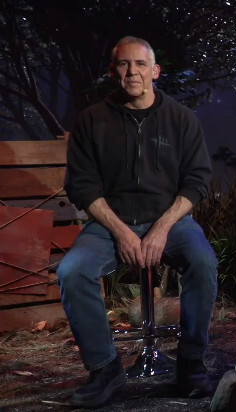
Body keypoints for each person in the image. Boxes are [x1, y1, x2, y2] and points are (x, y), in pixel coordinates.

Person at [58, 36, 219, 407]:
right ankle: (105, 368)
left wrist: (161, 229)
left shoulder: (181, 119)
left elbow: (197, 181)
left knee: (203, 261)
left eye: (141, 64)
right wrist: (122, 233)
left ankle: (191, 362)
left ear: (155, 71)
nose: (132, 72)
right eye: (124, 64)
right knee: (72, 271)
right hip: (110, 223)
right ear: (113, 71)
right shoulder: (92, 120)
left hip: (170, 221)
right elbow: (82, 185)